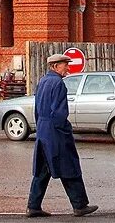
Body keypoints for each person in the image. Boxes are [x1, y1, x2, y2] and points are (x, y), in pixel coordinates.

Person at [27, 53, 96, 218]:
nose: (68, 67)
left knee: (42, 170)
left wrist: (41, 127)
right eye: (65, 64)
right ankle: (80, 205)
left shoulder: (43, 81)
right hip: (56, 131)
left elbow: (37, 108)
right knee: (69, 166)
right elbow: (59, 112)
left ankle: (33, 206)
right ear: (55, 66)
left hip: (43, 130)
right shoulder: (58, 83)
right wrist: (65, 130)